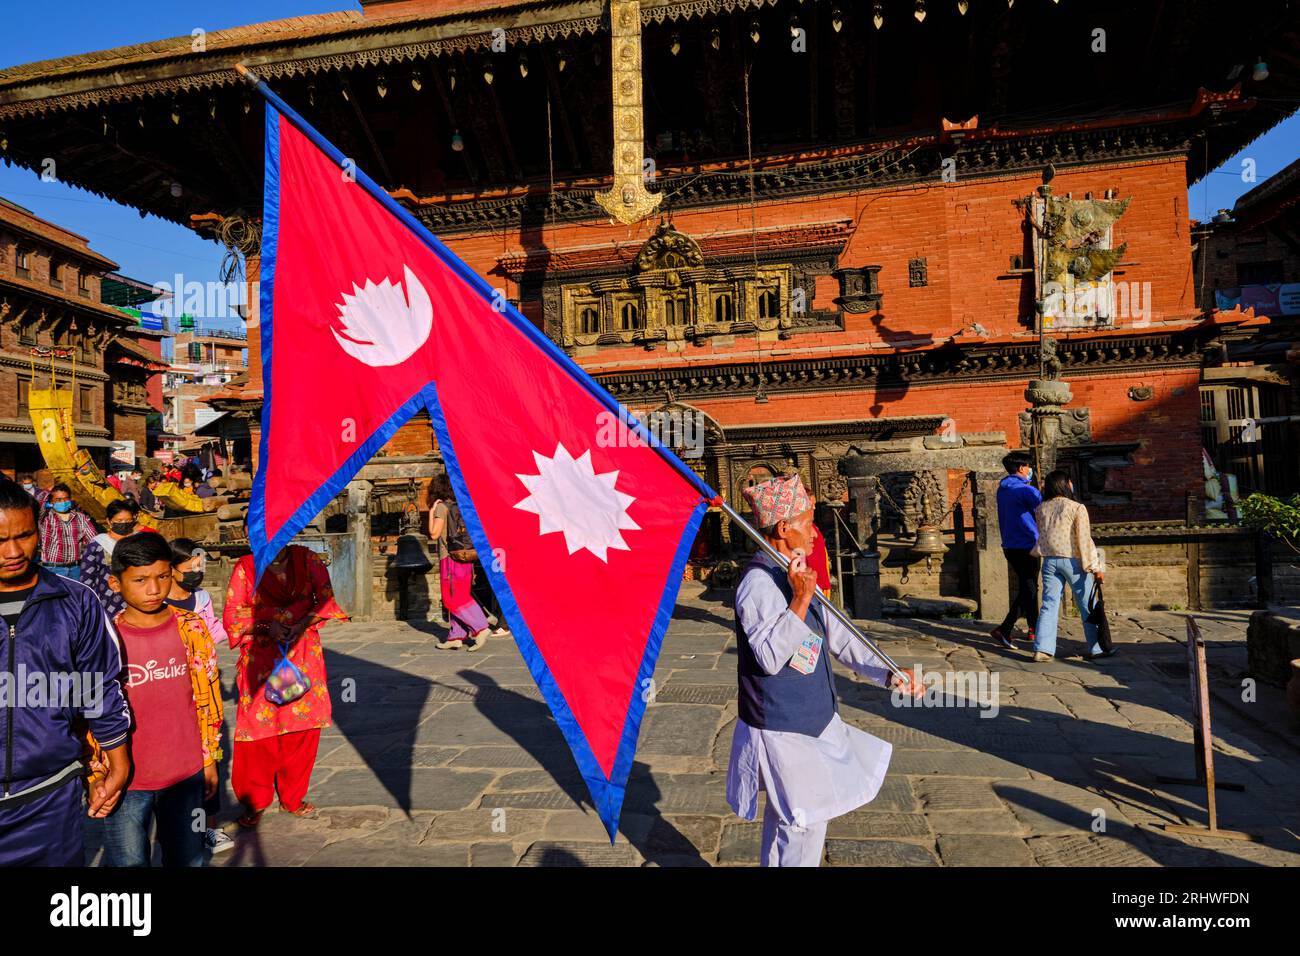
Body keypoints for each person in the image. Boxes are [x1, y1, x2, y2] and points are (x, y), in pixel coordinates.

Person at [726, 473, 922, 867]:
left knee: (798, 820)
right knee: (801, 821)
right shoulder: (759, 584)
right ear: (784, 528)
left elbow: (837, 635)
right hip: (782, 723)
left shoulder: (797, 571)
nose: (815, 532)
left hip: (815, 714)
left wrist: (886, 672)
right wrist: (799, 599)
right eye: (808, 521)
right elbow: (769, 656)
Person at [0, 479, 132, 866]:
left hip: (48, 800)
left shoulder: (76, 602)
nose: (12, 551)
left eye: (24, 536)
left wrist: (118, 761)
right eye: (0, 539)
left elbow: (99, 689)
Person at [95, 533, 223, 867]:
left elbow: (208, 697)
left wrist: (209, 760)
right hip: (127, 778)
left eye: (162, 577)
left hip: (186, 773)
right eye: (140, 580)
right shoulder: (105, 638)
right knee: (128, 862)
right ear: (115, 583)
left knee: (189, 858)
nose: (154, 589)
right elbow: (91, 710)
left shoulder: (192, 628)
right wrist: (96, 771)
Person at [223, 543, 348, 827]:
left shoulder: (307, 559)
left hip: (302, 652)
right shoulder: (246, 566)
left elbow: (326, 600)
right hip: (262, 655)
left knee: (302, 726)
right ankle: (254, 801)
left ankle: (293, 796)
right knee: (257, 729)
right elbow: (233, 613)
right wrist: (268, 626)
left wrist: (303, 623)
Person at [164, 537, 233, 854]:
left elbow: (214, 630)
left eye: (199, 566)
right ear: (171, 570)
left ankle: (210, 827)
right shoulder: (158, 601)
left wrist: (242, 631)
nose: (196, 572)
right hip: (172, 688)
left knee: (213, 758)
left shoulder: (202, 597)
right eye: (189, 568)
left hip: (207, 689)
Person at [1031, 469, 1112, 662]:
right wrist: (1096, 566)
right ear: (1066, 484)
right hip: (1073, 561)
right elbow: (1084, 540)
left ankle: (1042, 649)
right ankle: (1098, 647)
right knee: (1087, 605)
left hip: (1049, 561)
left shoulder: (1041, 508)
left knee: (1049, 604)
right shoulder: (1076, 507)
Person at [427, 475, 508, 652]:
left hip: (449, 559)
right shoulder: (460, 506)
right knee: (460, 594)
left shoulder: (441, 507)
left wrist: (432, 512)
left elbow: (434, 534)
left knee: (451, 598)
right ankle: (456, 636)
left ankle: (480, 627)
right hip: (465, 557)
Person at [990, 451, 1043, 650]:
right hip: (1028, 544)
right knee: (1029, 587)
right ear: (1022, 468)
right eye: (1029, 467)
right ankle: (1005, 628)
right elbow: (1045, 507)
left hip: (1010, 545)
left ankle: (1033, 627)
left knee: (1028, 586)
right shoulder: (1026, 490)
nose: (1030, 470)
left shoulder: (1003, 488)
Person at [80, 498, 144, 619]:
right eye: (119, 520)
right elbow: (87, 579)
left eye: (128, 520)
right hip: (107, 602)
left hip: (138, 599)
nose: (124, 523)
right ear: (109, 521)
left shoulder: (140, 541)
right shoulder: (97, 544)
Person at [39, 483, 97, 580]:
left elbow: (93, 538)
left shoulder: (80, 517)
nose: (63, 502)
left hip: (76, 568)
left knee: (75, 594)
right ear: (51, 501)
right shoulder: (46, 517)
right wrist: (48, 492)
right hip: (53, 568)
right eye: (58, 500)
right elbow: (40, 504)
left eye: (66, 499)